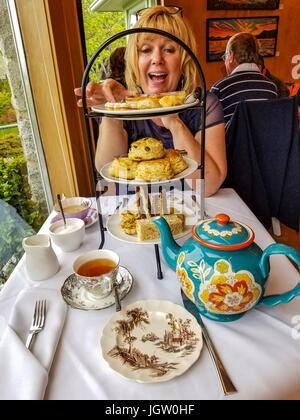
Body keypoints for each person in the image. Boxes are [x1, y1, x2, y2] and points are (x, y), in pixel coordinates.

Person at [75, 5, 227, 197]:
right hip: (136, 211)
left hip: (190, 213)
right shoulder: (125, 104)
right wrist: (113, 108)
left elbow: (209, 186)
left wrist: (172, 119)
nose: (157, 59)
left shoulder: (205, 103)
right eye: (146, 50)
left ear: (184, 60)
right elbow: (108, 169)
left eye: (169, 49)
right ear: (134, 60)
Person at [210, 32, 278, 128]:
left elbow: (211, 131)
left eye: (225, 56)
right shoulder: (271, 88)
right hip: (266, 143)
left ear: (231, 56)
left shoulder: (220, 89)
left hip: (233, 143)